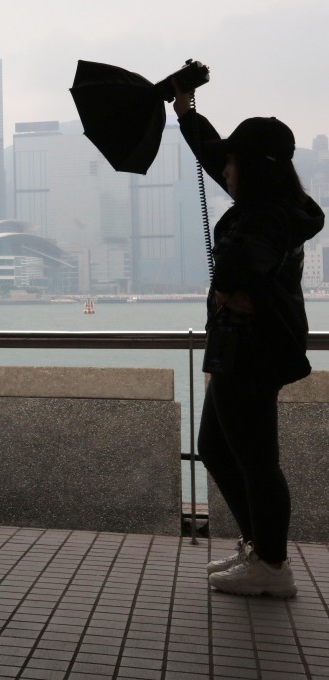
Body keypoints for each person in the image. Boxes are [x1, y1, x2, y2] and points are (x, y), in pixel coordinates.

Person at [173, 88, 324, 597]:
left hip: (253, 353)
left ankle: (273, 566)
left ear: (253, 170)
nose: (226, 171)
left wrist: (230, 287)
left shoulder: (266, 216)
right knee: (215, 448)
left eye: (234, 163)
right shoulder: (273, 203)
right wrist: (186, 113)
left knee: (257, 462)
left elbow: (238, 272)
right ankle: (260, 549)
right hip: (243, 348)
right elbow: (216, 159)